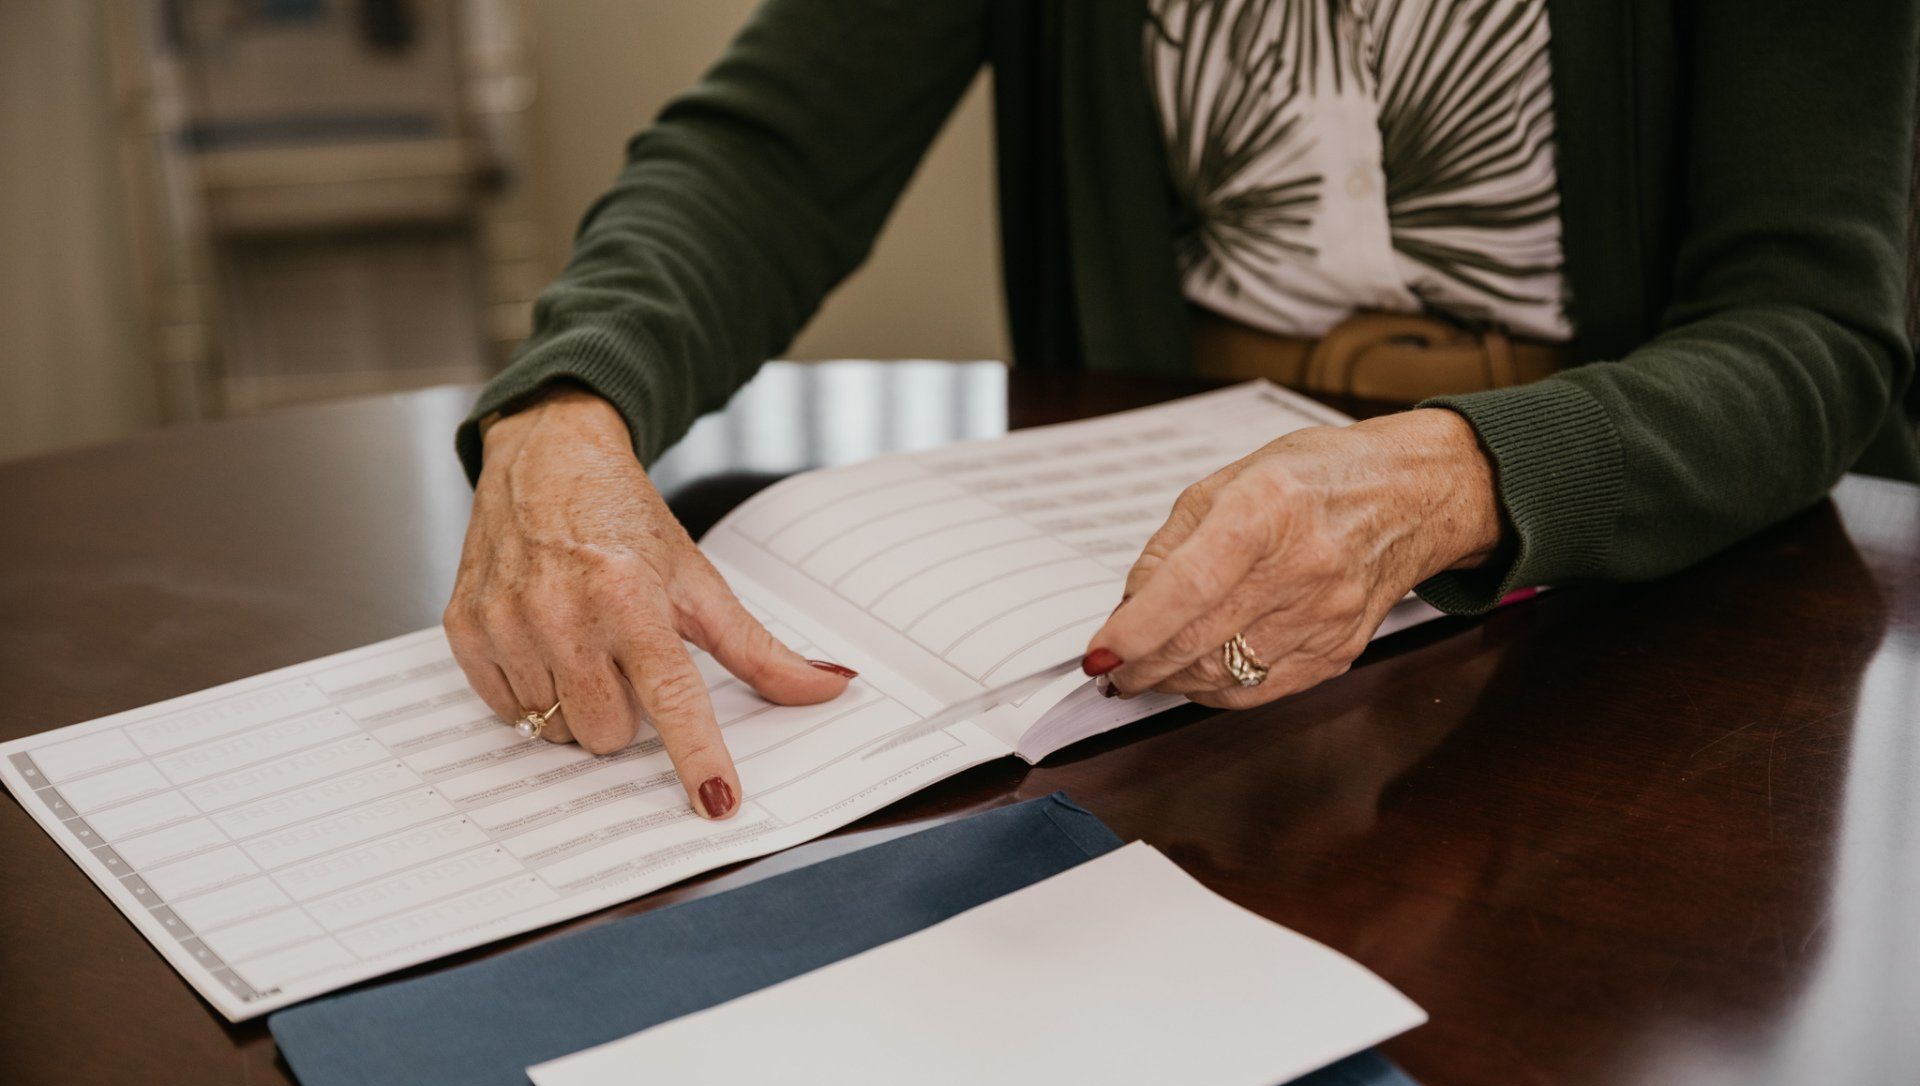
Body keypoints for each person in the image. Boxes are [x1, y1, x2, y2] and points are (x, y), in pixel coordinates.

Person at [443, 0, 1919, 821]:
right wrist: (570, 411)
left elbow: (1814, 334)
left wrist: (1458, 481)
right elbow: (762, 160)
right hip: (1156, 625)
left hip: (1635, 621)